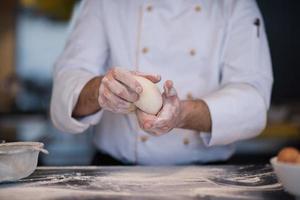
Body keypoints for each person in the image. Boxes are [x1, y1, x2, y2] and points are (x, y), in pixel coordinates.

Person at [50, 0, 273, 165]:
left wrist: (182, 113)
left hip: (207, 177)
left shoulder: (234, 5)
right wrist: (102, 90)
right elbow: (67, 84)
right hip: (116, 174)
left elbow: (252, 101)